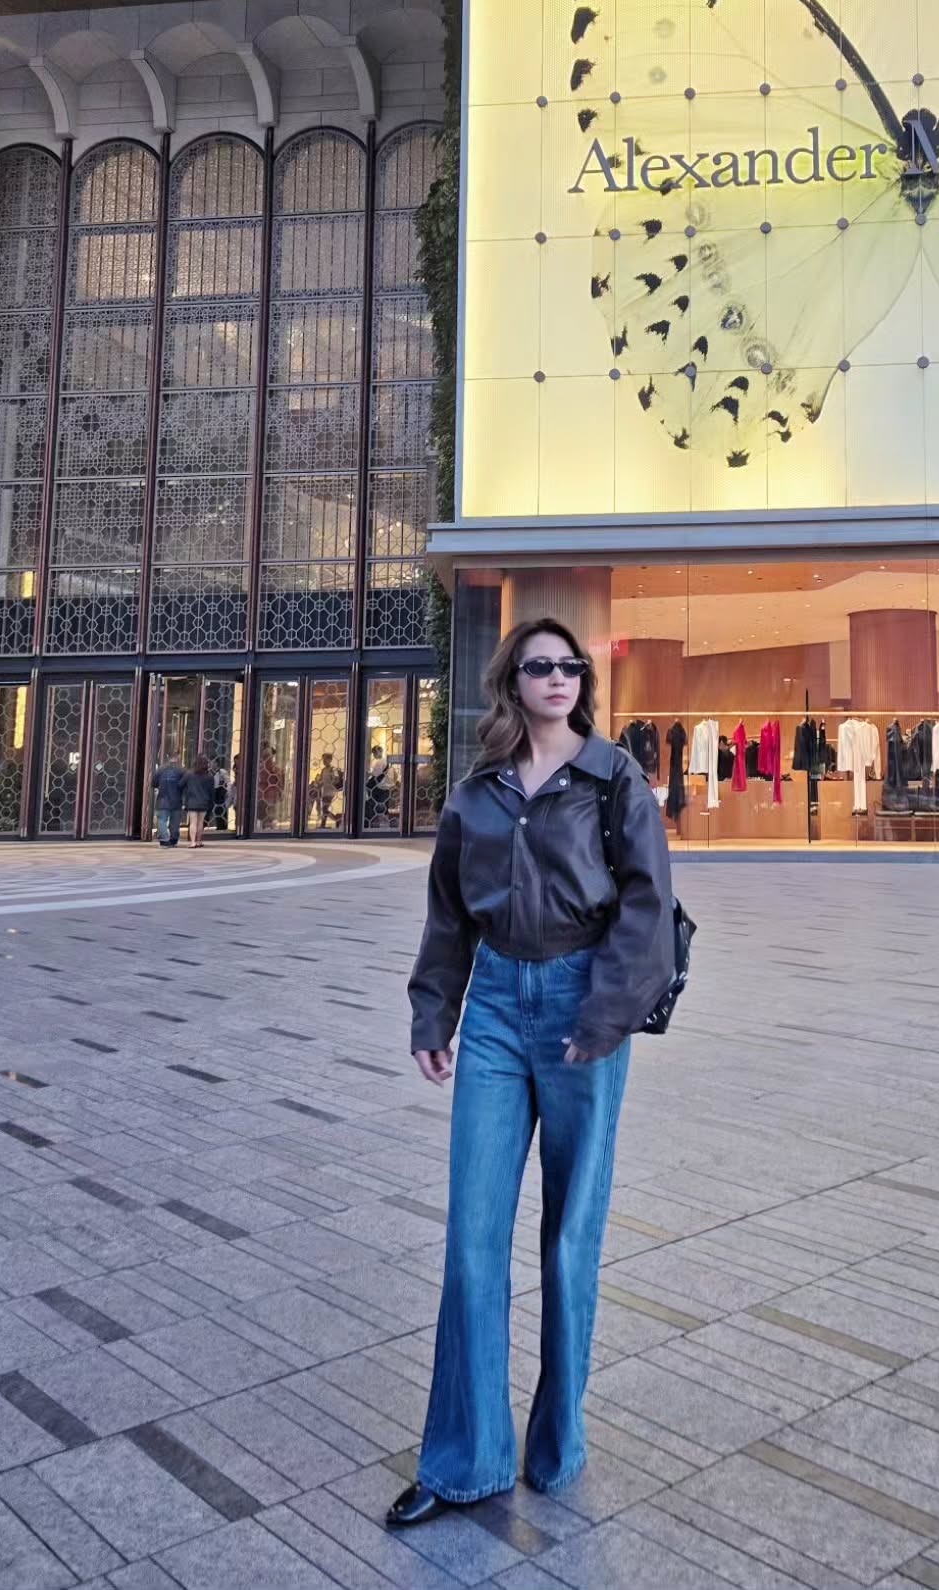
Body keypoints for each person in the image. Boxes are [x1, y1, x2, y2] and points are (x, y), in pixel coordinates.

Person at [388, 618, 674, 1527]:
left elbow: (649, 908)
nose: (558, 678)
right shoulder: (475, 796)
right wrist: (434, 1013)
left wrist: (604, 1016)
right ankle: (465, 1461)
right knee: (473, 1237)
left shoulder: (614, 778)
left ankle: (557, 1446)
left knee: (568, 1236)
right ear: (512, 681)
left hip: (582, 1006)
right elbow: (447, 915)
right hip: (494, 1015)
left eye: (571, 666)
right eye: (540, 666)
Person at [181, 754, 215, 849]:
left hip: (192, 801)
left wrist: (186, 791)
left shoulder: (189, 774)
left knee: (193, 822)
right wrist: (211, 802)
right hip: (204, 802)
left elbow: (180, 784)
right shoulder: (209, 776)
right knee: (200, 823)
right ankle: (199, 841)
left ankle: (193, 842)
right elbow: (212, 791)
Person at [152, 753, 185, 847]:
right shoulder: (181, 771)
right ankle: (174, 839)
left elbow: (153, 783)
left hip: (162, 799)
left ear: (168, 757)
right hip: (176, 799)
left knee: (162, 820)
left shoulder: (160, 770)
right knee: (175, 822)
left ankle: (164, 839)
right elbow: (184, 784)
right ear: (178, 758)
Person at [309, 751, 344, 829]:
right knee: (324, 808)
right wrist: (317, 782)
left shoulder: (333, 769)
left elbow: (337, 779)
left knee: (324, 809)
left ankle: (336, 819)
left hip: (330, 791)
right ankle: (325, 823)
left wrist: (331, 782)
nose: (324, 761)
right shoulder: (323, 770)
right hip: (324, 791)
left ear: (330, 760)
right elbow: (321, 781)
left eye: (325, 759)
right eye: (323, 759)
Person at [365, 744, 397, 828]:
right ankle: (384, 825)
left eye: (375, 753)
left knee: (376, 807)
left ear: (380, 752)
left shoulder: (380, 762)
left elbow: (375, 774)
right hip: (386, 787)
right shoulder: (387, 762)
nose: (374, 755)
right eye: (373, 753)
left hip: (380, 787)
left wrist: (367, 773)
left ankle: (376, 824)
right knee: (384, 807)